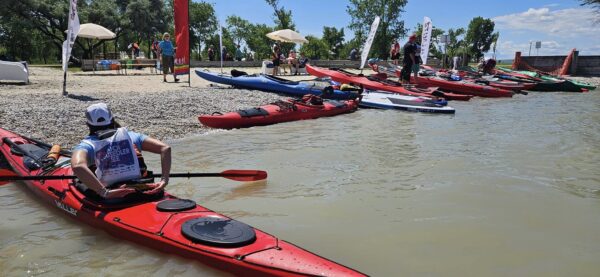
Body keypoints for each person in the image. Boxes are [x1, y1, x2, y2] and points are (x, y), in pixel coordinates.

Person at [71, 103, 171, 199]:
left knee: (77, 179)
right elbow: (165, 148)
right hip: (142, 190)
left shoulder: (87, 144)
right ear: (112, 119)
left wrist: (104, 192)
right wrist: (164, 180)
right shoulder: (131, 136)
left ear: (88, 124)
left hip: (113, 196)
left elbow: (78, 166)